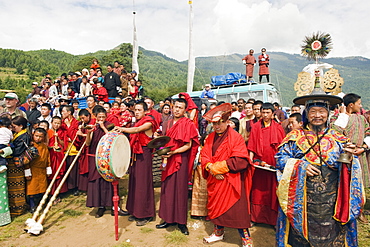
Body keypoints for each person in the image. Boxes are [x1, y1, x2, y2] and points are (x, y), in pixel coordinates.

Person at [275, 95, 364, 247]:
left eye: (322, 111)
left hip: (333, 202)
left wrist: (349, 157)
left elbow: (349, 165)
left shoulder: (337, 138)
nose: (317, 116)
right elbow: (280, 159)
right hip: (302, 202)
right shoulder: (295, 137)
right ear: (307, 113)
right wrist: (299, 166)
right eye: (313, 112)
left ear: (328, 113)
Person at [201, 103, 253, 247]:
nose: (217, 126)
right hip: (215, 180)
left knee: (238, 212)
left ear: (227, 122)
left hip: (231, 180)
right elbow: (204, 155)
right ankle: (218, 232)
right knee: (216, 209)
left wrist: (220, 168)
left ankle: (245, 238)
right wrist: (211, 167)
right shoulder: (210, 137)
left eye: (220, 123)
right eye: (214, 124)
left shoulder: (235, 137)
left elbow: (241, 160)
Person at [156, 98, 200, 235]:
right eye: (175, 107)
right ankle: (168, 219)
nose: (176, 110)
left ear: (185, 110)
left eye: (180, 108)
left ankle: (181, 222)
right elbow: (164, 141)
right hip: (167, 160)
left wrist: (173, 152)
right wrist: (161, 148)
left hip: (180, 159)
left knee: (180, 191)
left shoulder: (188, 124)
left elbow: (189, 145)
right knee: (168, 189)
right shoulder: (167, 123)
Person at [114, 101, 159, 226]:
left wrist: (122, 128)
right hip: (135, 155)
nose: (137, 112)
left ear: (145, 111)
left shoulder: (149, 122)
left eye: (140, 110)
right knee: (134, 183)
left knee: (143, 184)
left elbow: (137, 130)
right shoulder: (137, 121)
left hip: (144, 155)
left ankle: (146, 214)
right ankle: (135, 211)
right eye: (136, 110)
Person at [248, 103, 285, 227]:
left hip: (273, 164)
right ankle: (255, 218)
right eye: (263, 112)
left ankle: (273, 220)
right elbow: (252, 146)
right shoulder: (256, 127)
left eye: (267, 112)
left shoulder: (278, 128)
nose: (265, 115)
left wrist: (280, 165)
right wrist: (250, 161)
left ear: (272, 113)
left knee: (272, 191)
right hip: (259, 164)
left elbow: (281, 148)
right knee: (257, 191)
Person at [85, 107, 127, 217]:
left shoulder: (110, 126)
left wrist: (103, 127)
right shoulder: (92, 127)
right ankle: (100, 206)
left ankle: (114, 207)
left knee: (110, 181)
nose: (101, 119)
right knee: (97, 182)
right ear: (95, 117)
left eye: (103, 117)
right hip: (96, 157)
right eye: (99, 117)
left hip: (108, 158)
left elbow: (111, 138)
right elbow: (88, 144)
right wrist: (89, 133)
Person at [8, 116, 31, 216]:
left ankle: (19, 208)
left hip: (17, 165)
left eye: (14, 126)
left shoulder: (24, 136)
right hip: (13, 164)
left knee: (18, 187)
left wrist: (8, 149)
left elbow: (18, 151)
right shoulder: (18, 134)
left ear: (21, 126)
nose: (13, 129)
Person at [25, 128, 51, 213]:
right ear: (33, 135)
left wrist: (48, 168)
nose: (38, 138)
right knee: (32, 189)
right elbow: (26, 161)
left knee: (42, 187)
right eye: (36, 136)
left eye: (40, 136)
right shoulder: (30, 146)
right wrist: (27, 172)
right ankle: (32, 205)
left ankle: (41, 204)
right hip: (33, 169)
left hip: (42, 170)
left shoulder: (44, 147)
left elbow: (47, 158)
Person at [48, 116, 68, 201]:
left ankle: (58, 192)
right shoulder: (48, 132)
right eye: (55, 123)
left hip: (59, 155)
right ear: (51, 123)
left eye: (58, 123)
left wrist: (58, 138)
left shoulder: (62, 132)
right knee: (51, 173)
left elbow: (64, 144)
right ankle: (51, 193)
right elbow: (46, 144)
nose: (56, 125)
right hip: (51, 155)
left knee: (59, 172)